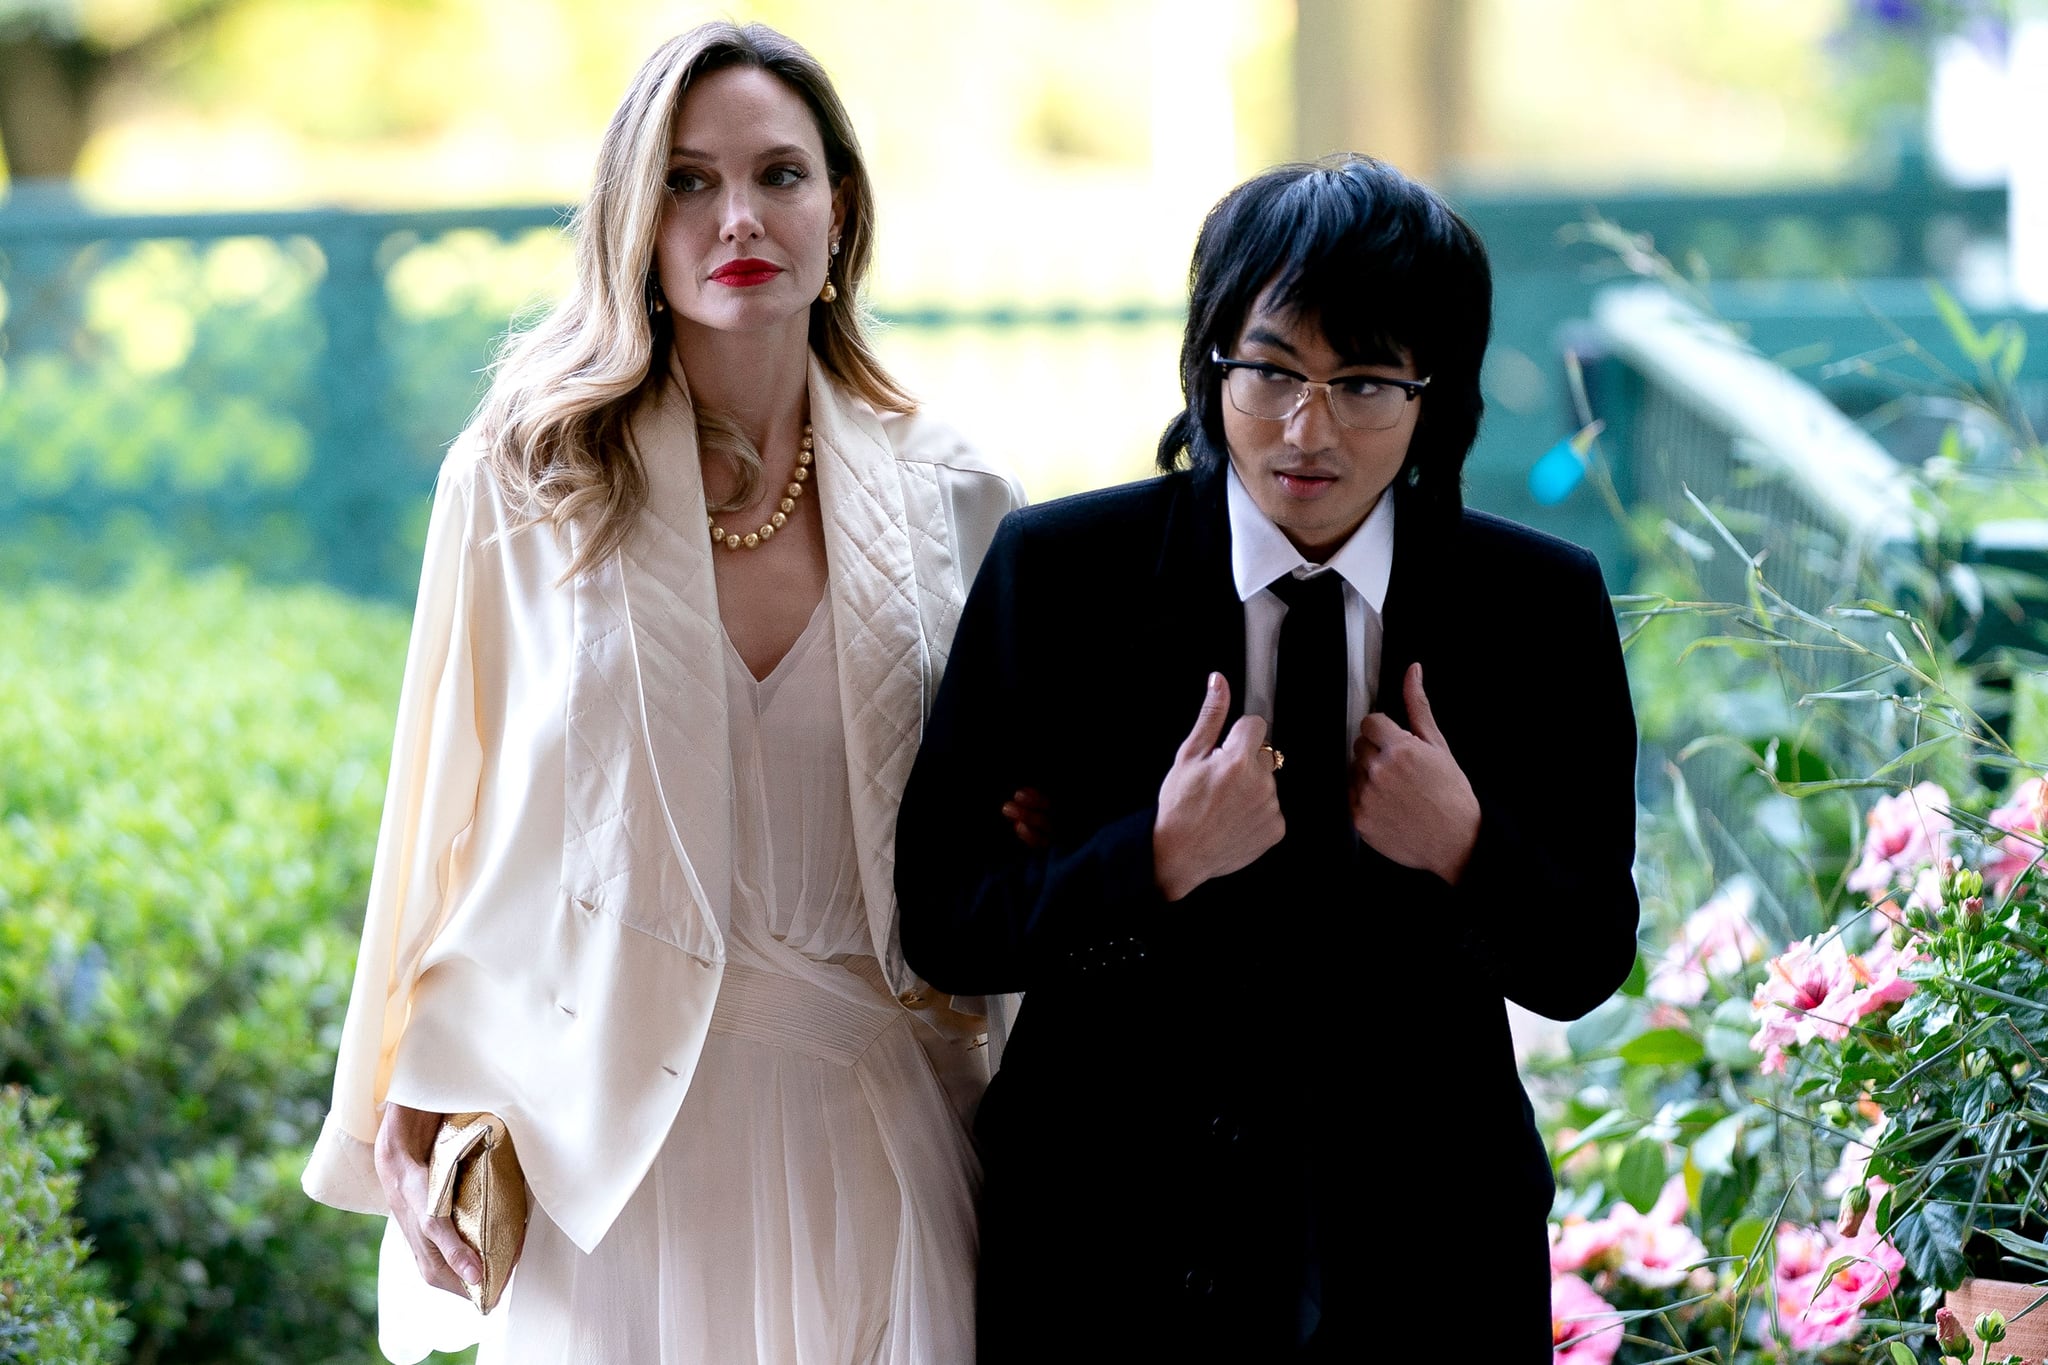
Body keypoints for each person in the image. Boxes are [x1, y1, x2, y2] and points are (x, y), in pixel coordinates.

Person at [301, 22, 1025, 1365]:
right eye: (687, 181)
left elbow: (1014, 843)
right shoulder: (522, 480)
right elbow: (434, 811)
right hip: (606, 1170)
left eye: (780, 175)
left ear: (842, 208)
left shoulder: (962, 495)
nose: (736, 215)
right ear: (632, 218)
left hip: (884, 1139)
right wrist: (398, 1095)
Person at [894, 154, 1641, 1361]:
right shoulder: (1060, 574)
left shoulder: (1534, 604)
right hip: (1109, 1246)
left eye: (1362, 383)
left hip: (1424, 1252)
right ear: (1209, 364)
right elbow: (944, 919)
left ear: (1430, 395)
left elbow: (1583, 958)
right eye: (1271, 371)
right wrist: (1151, 856)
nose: (1308, 428)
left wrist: (1461, 846)